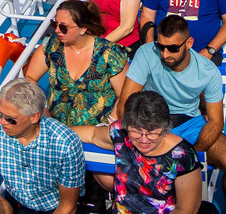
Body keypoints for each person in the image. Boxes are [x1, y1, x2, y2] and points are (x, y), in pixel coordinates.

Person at [116, 16, 226, 214]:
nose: (165, 54)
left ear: (189, 43)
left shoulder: (207, 71)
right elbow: (125, 104)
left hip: (188, 123)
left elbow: (215, 122)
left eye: (173, 48)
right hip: (149, 122)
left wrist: (186, 154)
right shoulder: (146, 53)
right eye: (161, 47)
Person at [0, 77, 85, 214]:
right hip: (15, 204)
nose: (2, 122)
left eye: (10, 119)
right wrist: (1, 204)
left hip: (55, 209)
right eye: (0, 114)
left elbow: (68, 206)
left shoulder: (66, 143)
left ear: (34, 117)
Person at [71, 89, 203, 214]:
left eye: (151, 133)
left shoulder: (183, 155)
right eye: (136, 132)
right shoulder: (120, 133)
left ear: (164, 128)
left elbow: (187, 210)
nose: (143, 140)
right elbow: (92, 134)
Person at [24, 0, 130, 126]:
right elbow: (30, 77)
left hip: (95, 133)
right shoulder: (50, 47)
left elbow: (124, 95)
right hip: (58, 128)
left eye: (63, 27)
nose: (57, 30)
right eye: (54, 24)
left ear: (82, 29)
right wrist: (43, 112)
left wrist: (109, 126)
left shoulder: (109, 53)